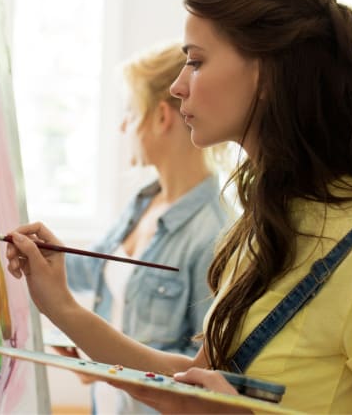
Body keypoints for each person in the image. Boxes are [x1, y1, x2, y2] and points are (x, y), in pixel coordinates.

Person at [5, 0, 352, 413]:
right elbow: (187, 387)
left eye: (195, 62)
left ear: (266, 71)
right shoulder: (262, 228)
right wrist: (62, 307)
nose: (177, 86)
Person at [52, 42, 229, 414]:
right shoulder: (142, 203)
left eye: (130, 112)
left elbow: (204, 370)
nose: (122, 126)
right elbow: (92, 269)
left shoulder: (215, 234)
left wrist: (106, 362)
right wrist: (38, 250)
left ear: (162, 117)